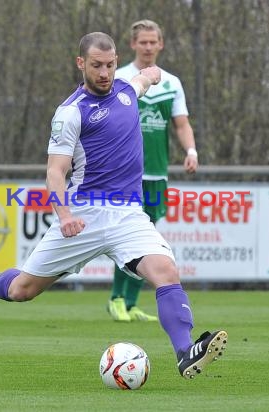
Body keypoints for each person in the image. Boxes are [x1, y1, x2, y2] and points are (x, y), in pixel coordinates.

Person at [0, 32, 226, 379]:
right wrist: (64, 215)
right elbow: (55, 170)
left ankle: (186, 352)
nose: (105, 73)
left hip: (127, 214)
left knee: (166, 272)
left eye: (110, 65)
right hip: (83, 214)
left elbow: (142, 79)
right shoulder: (70, 112)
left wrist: (152, 74)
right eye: (96, 66)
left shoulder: (126, 90)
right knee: (23, 290)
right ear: (81, 63)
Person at [107, 20, 199, 322]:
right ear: (133, 44)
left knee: (146, 241)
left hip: (157, 174)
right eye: (142, 42)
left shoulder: (171, 83)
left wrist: (191, 151)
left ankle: (131, 304)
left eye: (152, 42)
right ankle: (116, 299)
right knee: (126, 238)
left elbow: (181, 124)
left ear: (161, 44)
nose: (148, 47)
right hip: (124, 175)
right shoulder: (118, 78)